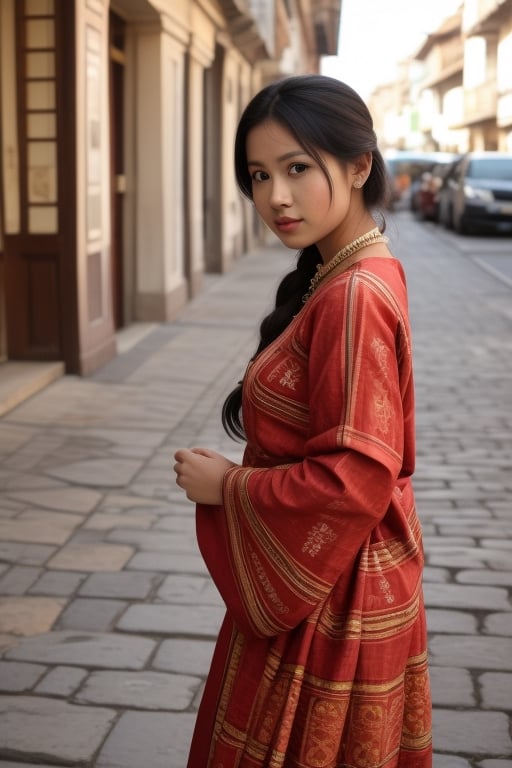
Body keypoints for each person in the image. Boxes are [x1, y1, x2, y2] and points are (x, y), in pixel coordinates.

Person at [174, 74, 432, 768]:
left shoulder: (354, 296)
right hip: (344, 577)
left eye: (296, 168)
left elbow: (354, 480)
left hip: (331, 595)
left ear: (358, 166)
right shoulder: (354, 271)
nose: (275, 197)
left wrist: (227, 488)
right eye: (259, 175)